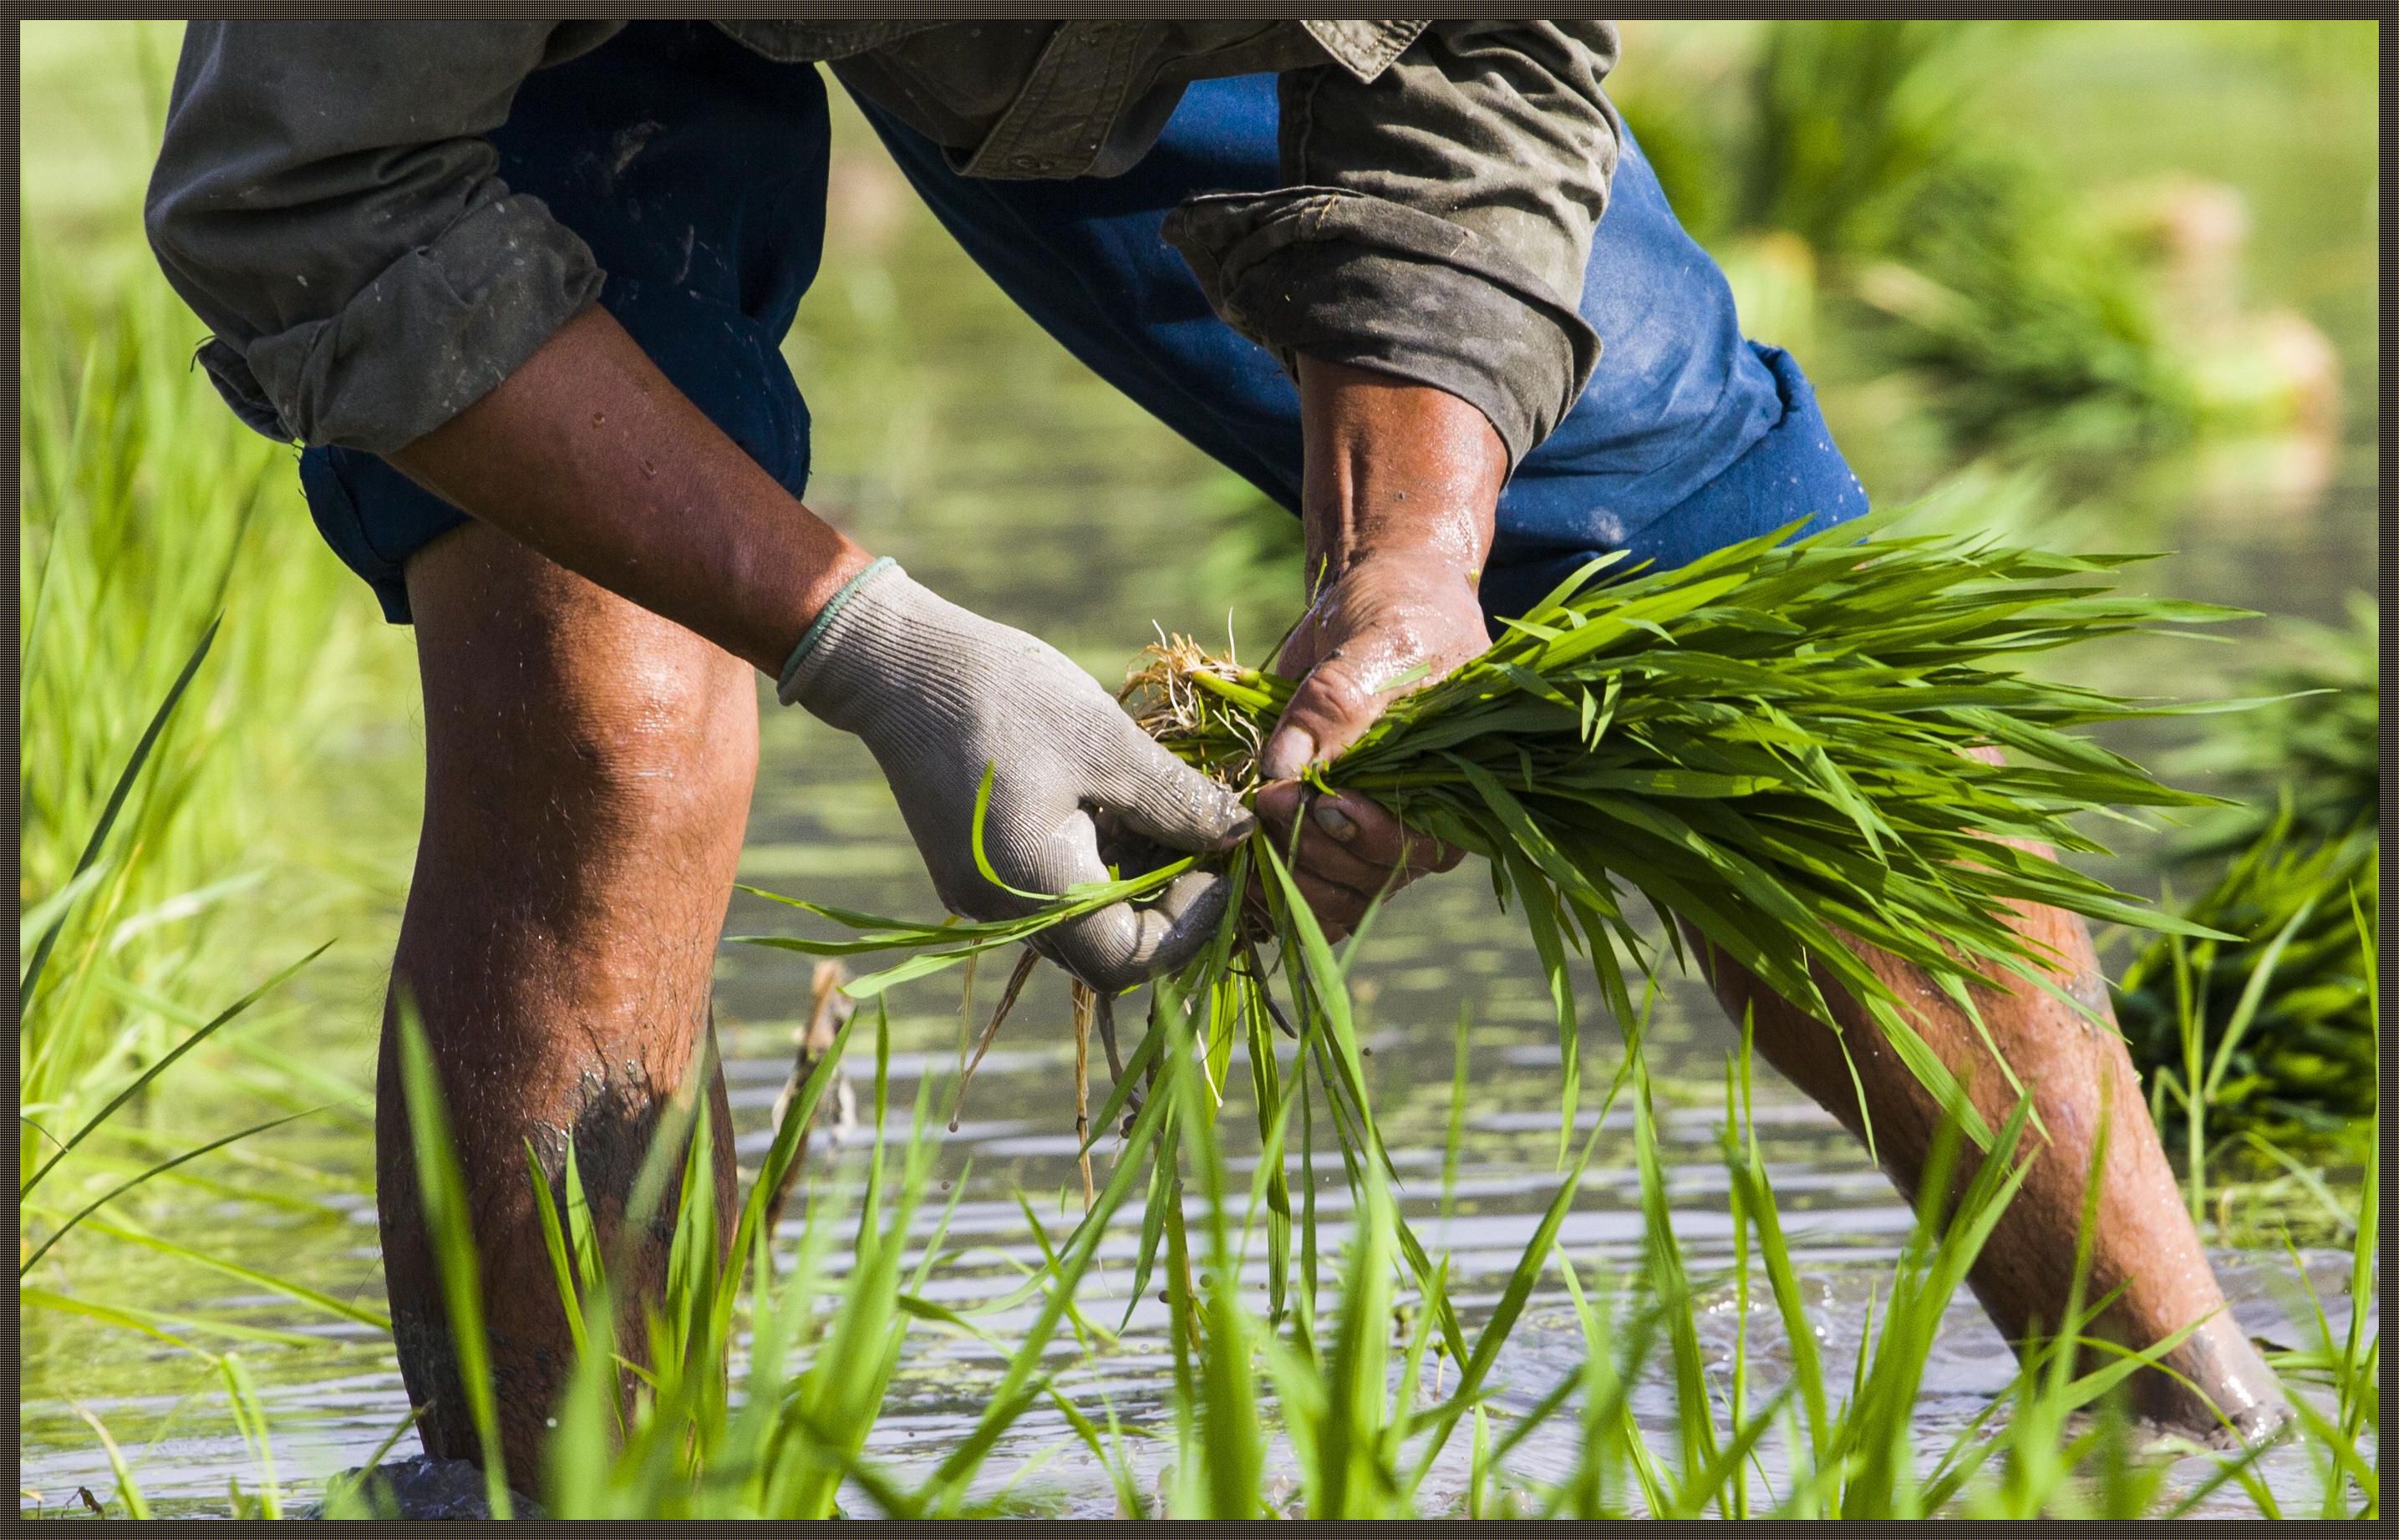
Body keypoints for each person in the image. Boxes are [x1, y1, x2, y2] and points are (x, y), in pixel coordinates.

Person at [145, 20, 2287, 1482]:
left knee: (1726, 609)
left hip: (1174, 34)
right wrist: (872, 645)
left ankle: (2191, 1435)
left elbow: (1472, 65)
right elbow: (305, 198)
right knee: (605, 710)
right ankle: (560, 1500)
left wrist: (1413, 567)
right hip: (520, 53)